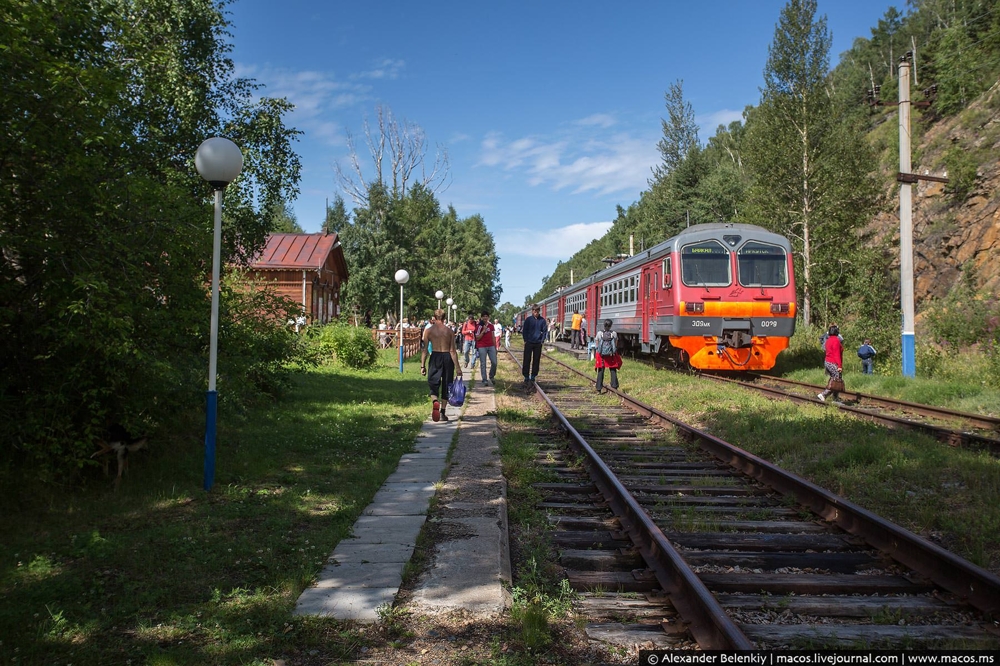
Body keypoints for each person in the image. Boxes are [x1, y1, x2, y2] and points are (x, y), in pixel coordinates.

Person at [421, 309, 462, 422]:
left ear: (434, 317)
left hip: (435, 356)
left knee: (433, 382)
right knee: (446, 384)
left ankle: (435, 401)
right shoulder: (449, 331)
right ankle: (443, 413)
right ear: (444, 318)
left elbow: (424, 350)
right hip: (447, 357)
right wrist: (458, 368)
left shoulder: (428, 331)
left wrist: (422, 365)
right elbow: (453, 351)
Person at [521, 305, 548, 385]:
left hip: (538, 343)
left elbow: (545, 331)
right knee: (527, 359)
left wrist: (542, 340)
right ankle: (526, 376)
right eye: (534, 311)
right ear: (532, 311)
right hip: (529, 342)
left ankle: (533, 375)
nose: (535, 313)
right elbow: (524, 330)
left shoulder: (542, 321)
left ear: (539, 311)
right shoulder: (528, 320)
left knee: (536, 360)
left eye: (537, 312)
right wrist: (525, 340)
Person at [594, 319, 622, 393]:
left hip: (601, 355)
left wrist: (598, 351)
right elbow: (615, 344)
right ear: (611, 326)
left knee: (601, 371)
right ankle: (614, 386)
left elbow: (597, 343)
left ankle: (598, 388)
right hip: (611, 355)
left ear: (604, 325)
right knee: (613, 370)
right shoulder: (614, 333)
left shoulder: (599, 333)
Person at [817, 324, 844, 402]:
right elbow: (837, 354)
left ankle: (835, 398)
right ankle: (823, 395)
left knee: (835, 379)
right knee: (836, 379)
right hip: (833, 362)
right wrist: (839, 366)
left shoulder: (828, 340)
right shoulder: (836, 341)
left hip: (828, 361)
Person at [474, 310, 499, 387]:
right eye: (484, 316)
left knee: (494, 362)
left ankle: (491, 375)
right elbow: (477, 338)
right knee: (483, 363)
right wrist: (483, 331)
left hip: (491, 345)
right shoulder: (479, 326)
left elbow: (493, 337)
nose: (485, 317)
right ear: (481, 317)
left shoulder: (491, 326)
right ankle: (484, 379)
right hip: (482, 346)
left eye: (486, 316)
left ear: (488, 317)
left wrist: (495, 347)